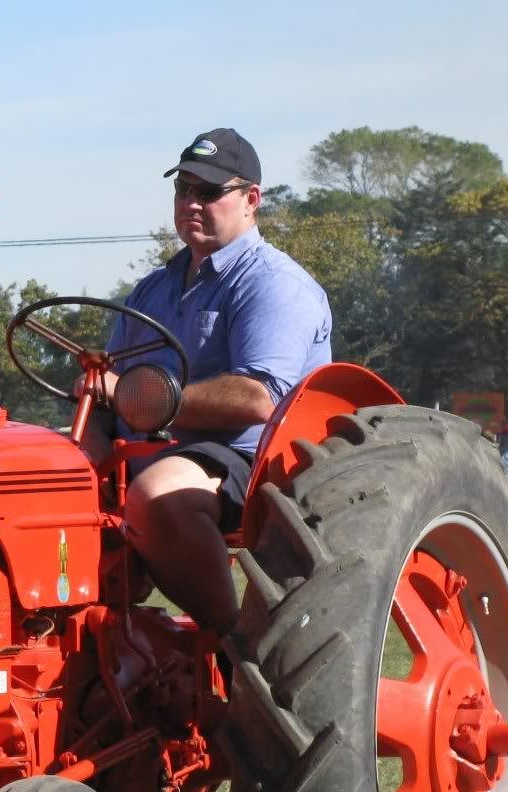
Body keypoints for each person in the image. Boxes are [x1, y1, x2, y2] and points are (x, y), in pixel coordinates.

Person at [93, 128, 332, 635]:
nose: (191, 204)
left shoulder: (273, 284)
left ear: (251, 200)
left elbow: (259, 397)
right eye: (183, 190)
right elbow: (110, 391)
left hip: (250, 459)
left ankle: (234, 649)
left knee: (158, 496)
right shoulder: (152, 289)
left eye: (208, 192)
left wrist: (141, 399)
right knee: (39, 494)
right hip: (147, 451)